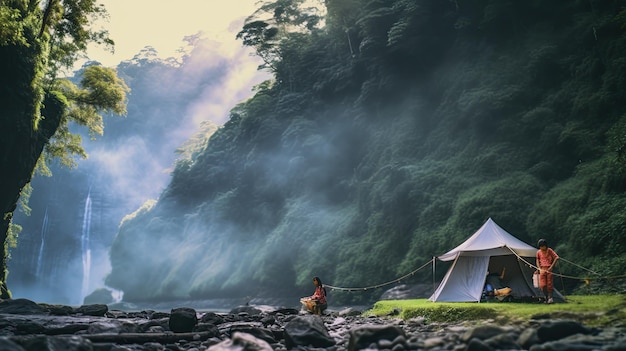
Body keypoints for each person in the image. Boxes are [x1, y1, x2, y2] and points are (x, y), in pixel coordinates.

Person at [536, 238, 559, 304]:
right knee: (542, 285)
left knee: (549, 284)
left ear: (546, 245)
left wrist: (551, 267)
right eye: (540, 246)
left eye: (543, 246)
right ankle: (545, 297)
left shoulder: (549, 250)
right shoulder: (538, 252)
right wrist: (539, 268)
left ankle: (550, 298)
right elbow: (537, 260)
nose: (542, 248)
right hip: (542, 269)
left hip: (549, 269)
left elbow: (556, 257)